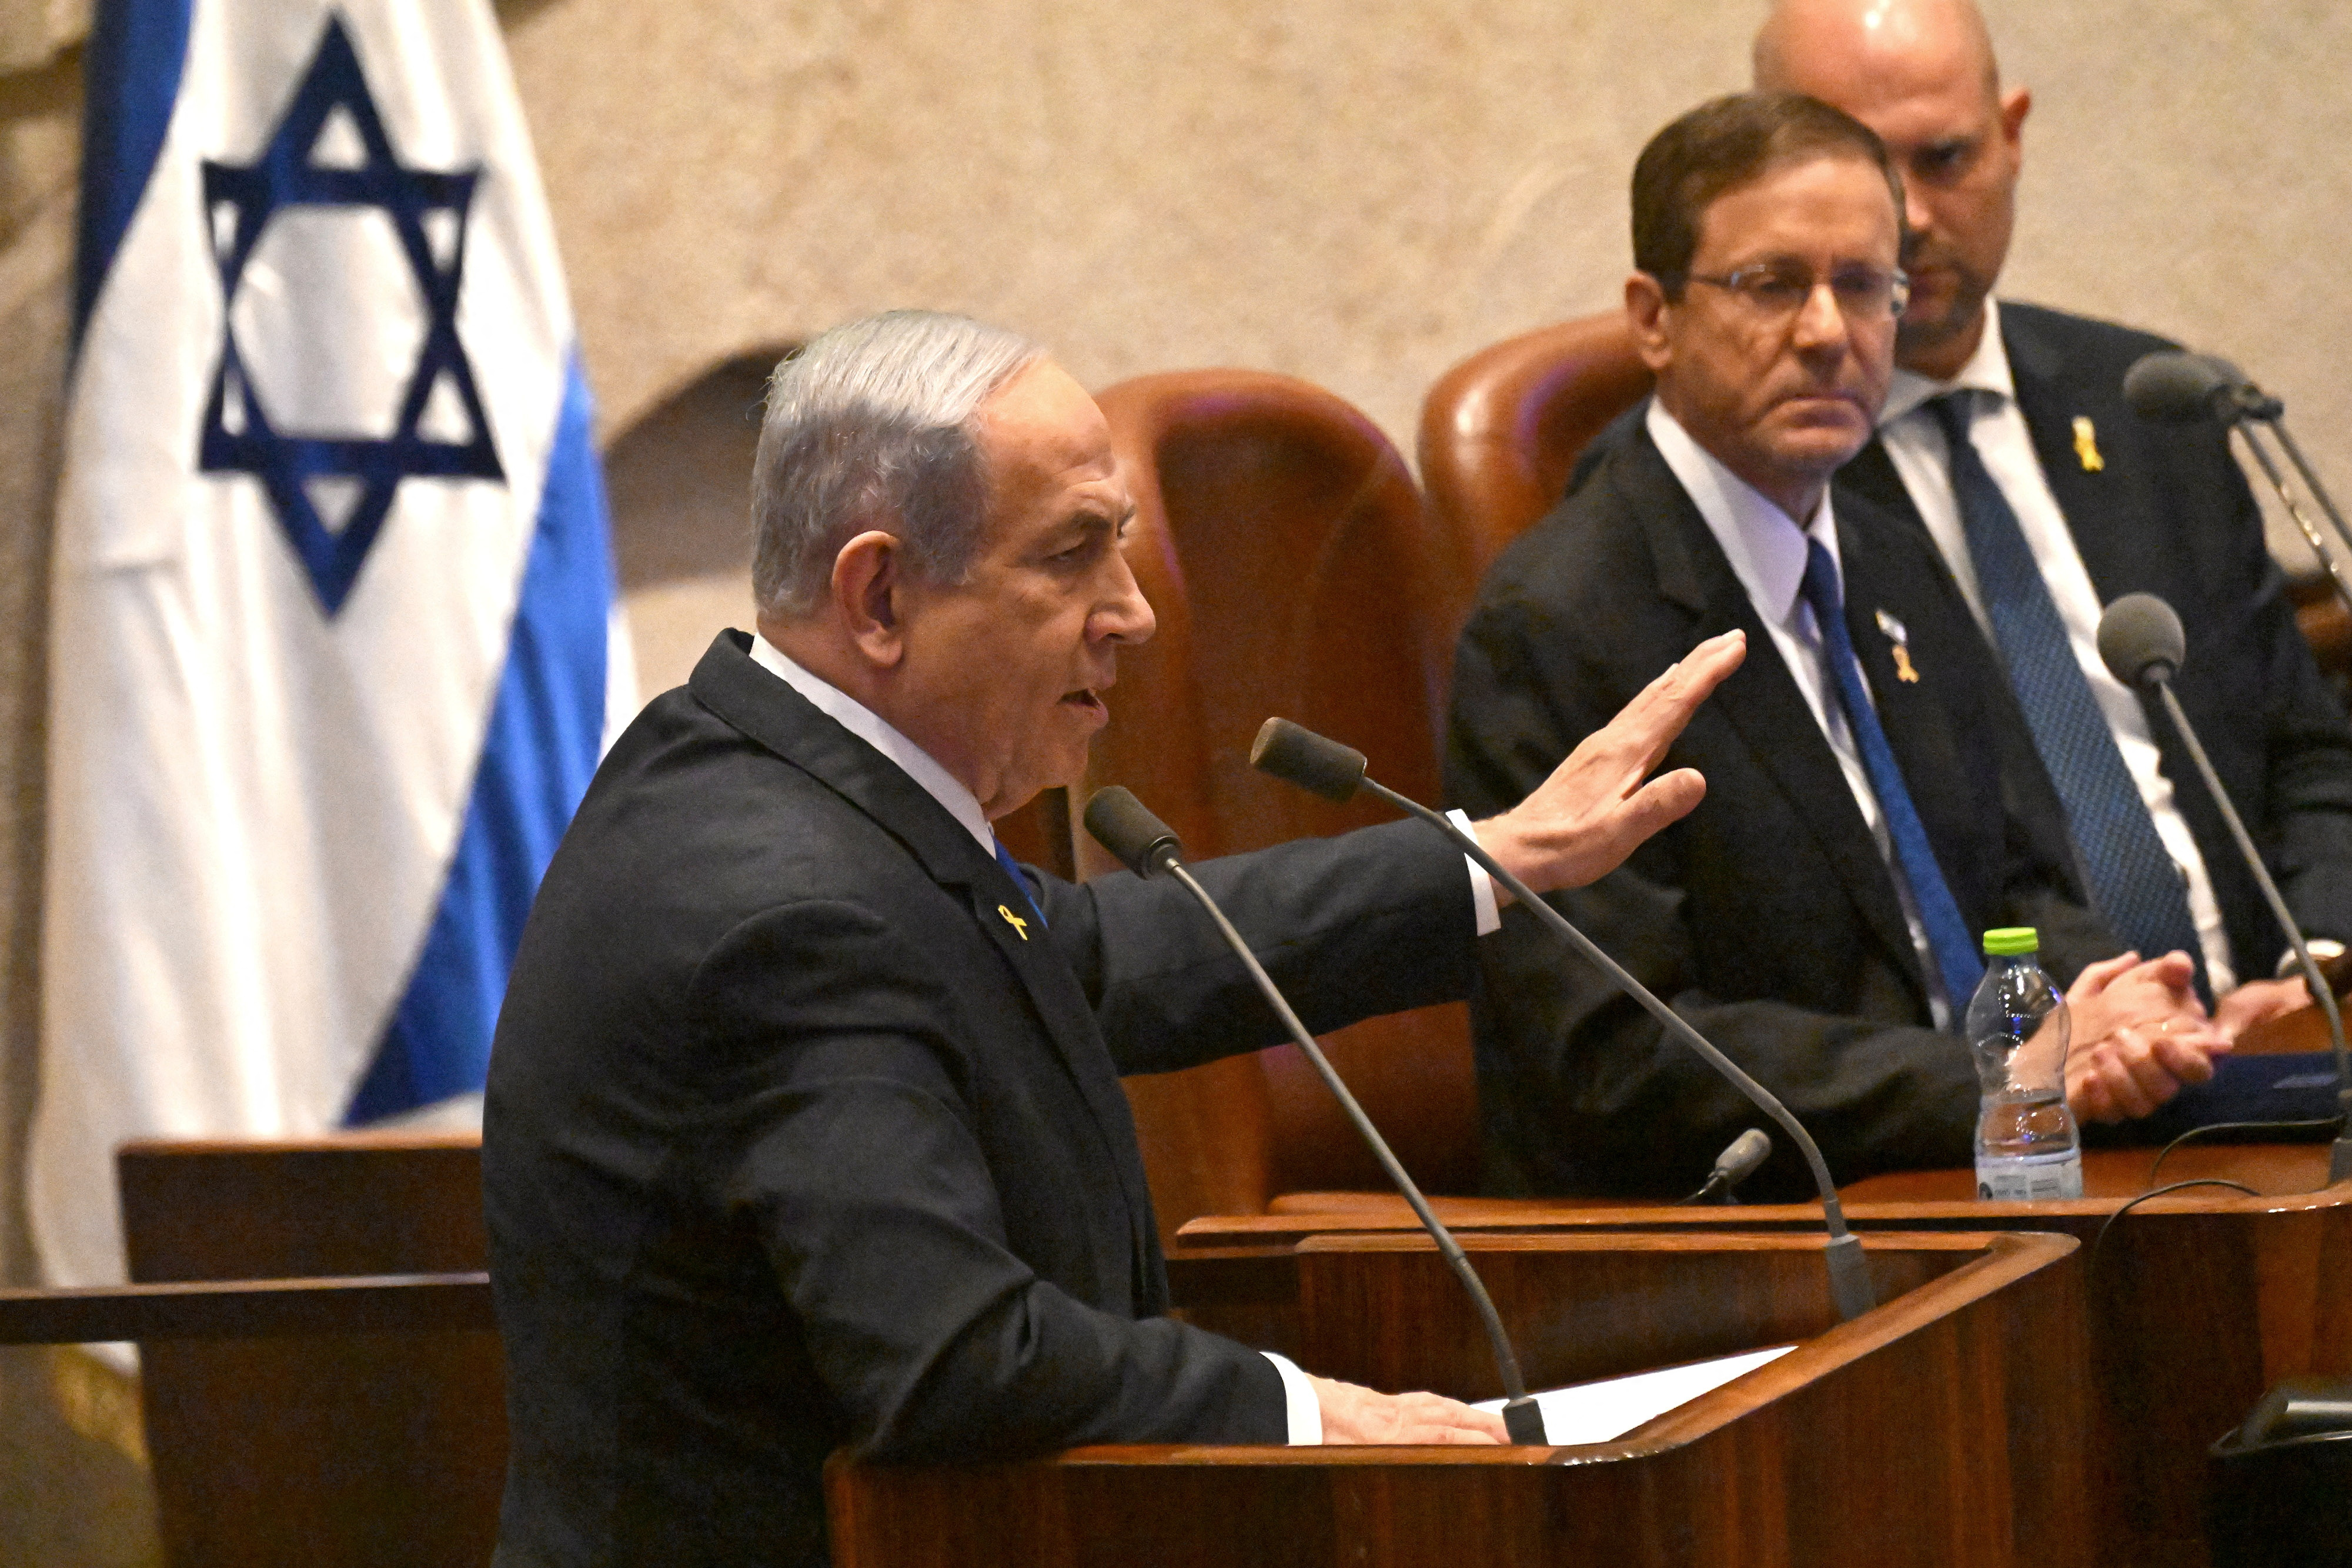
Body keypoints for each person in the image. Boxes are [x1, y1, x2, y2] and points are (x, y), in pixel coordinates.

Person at [483, 309, 1745, 1566]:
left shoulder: (756, 763)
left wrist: (1493, 859)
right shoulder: (788, 906)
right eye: (1073, 555)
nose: (1132, 615)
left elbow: (1085, 950)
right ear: (878, 594)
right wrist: (1304, 1412)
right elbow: (955, 1354)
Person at [1446, 93, 2226, 1202]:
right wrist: (2004, 1069)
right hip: (1738, 1238)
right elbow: (1619, 1052)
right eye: (1771, 286)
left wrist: (2110, 1005)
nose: (1827, 333)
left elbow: (2017, 885)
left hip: (1968, 1180)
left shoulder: (1890, 559)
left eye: (1863, 286)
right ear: (1654, 317)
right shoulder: (1562, 620)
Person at [1754, 0, 2352, 1032]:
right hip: (2011, 1090)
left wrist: (2319, 970)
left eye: (1945, 158)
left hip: (2280, 1038)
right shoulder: (1754, 481)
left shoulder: (2149, 399)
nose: (1913, 218)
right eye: (1862, 170)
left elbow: (2305, 753)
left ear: (2013, 135)